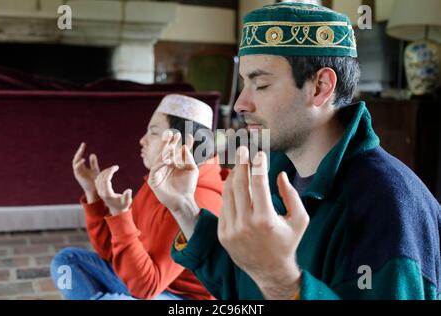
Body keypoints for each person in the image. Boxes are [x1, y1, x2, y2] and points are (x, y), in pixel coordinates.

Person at [148, 2, 441, 300]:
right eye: (243, 85)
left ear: (320, 87)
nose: (240, 104)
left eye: (260, 85)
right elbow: (240, 286)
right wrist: (184, 206)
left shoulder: (389, 205)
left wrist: (281, 281)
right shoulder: (274, 170)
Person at [50, 94, 224, 300]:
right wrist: (93, 194)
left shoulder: (197, 200)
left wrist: (120, 214)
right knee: (66, 262)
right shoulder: (160, 180)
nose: (142, 140)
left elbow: (147, 288)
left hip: (176, 297)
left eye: (153, 132)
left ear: (183, 142)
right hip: (143, 283)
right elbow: (112, 254)